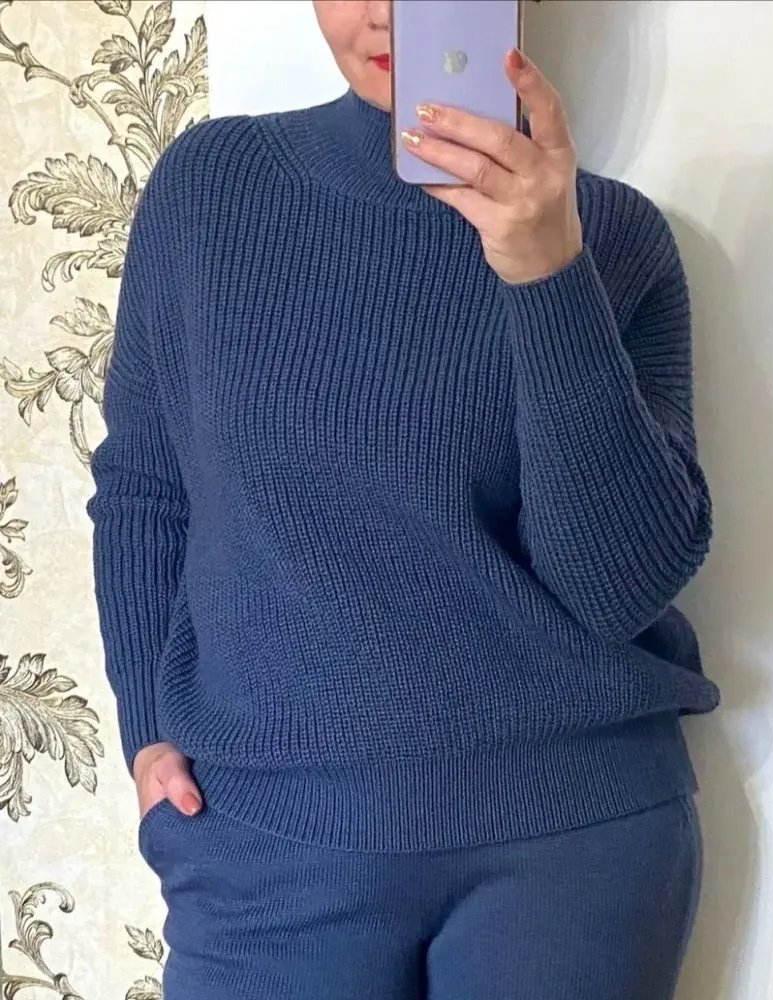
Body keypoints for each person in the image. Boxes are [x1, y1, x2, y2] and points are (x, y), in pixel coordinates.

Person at [87, 1, 720, 997]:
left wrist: (548, 275)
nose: (385, 10)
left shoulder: (614, 237)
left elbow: (618, 588)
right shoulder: (209, 190)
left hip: (571, 845)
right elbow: (145, 484)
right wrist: (146, 729)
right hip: (268, 843)